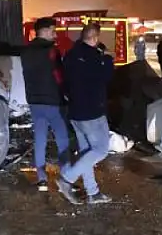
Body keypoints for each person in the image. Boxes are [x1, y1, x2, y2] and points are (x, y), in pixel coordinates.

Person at [57, 23, 115, 205]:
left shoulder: (70, 55)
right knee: (100, 149)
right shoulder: (95, 58)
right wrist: (107, 59)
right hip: (92, 112)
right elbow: (106, 76)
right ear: (95, 38)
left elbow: (64, 80)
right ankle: (67, 178)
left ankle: (93, 192)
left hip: (75, 111)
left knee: (86, 153)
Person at [21, 17, 70, 192]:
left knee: (40, 139)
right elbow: (58, 75)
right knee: (62, 139)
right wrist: (66, 93)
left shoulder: (26, 51)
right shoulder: (51, 51)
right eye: (53, 31)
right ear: (46, 30)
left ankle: (41, 178)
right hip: (53, 101)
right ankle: (67, 176)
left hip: (34, 101)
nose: (55, 34)